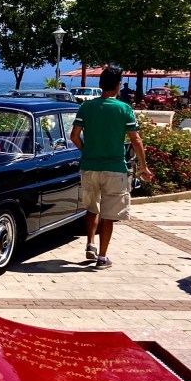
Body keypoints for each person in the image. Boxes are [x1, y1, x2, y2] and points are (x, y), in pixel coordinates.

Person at [70, 67, 154, 269]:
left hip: (90, 166)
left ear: (100, 85)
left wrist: (86, 151)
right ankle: (102, 257)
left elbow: (74, 136)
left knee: (92, 208)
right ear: (118, 86)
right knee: (108, 215)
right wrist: (143, 166)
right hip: (115, 168)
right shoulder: (124, 109)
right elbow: (136, 139)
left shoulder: (86, 107)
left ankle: (90, 243)